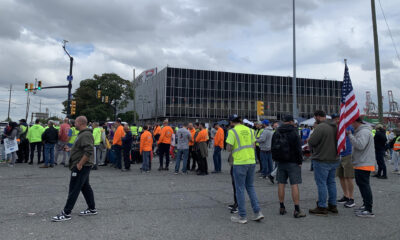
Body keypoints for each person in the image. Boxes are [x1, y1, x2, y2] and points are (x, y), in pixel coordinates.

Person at [52, 116, 96, 222]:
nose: (73, 124)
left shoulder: (85, 134)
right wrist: (71, 149)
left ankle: (66, 213)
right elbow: (81, 148)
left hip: (81, 166)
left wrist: (80, 164)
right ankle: (92, 208)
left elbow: (89, 151)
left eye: (75, 122)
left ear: (81, 123)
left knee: (74, 188)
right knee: (85, 187)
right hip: (81, 164)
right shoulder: (82, 134)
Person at [226, 114, 263, 224]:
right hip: (251, 161)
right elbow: (253, 145)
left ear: (232, 122)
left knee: (240, 189)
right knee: (250, 187)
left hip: (239, 162)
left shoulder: (232, 131)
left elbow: (228, 148)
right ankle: (258, 212)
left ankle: (242, 216)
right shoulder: (250, 130)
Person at [271, 115, 306, 218]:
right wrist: (300, 161)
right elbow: (298, 148)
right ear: (291, 122)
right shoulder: (294, 132)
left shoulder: (277, 131)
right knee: (294, 184)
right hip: (293, 161)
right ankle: (297, 209)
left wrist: (275, 158)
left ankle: (282, 207)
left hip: (281, 161)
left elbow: (273, 146)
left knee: (281, 183)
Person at [308, 110, 339, 216]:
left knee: (322, 183)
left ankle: (322, 206)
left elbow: (312, 142)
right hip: (334, 158)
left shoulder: (320, 127)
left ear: (317, 116)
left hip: (322, 158)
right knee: (331, 182)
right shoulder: (335, 126)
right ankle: (333, 205)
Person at [347, 117, 376, 217]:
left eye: (352, 123)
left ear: (356, 122)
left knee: (364, 186)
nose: (351, 125)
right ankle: (366, 206)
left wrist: (350, 136)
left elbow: (360, 145)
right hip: (363, 162)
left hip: (364, 163)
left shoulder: (363, 132)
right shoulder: (363, 131)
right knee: (363, 185)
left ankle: (368, 209)